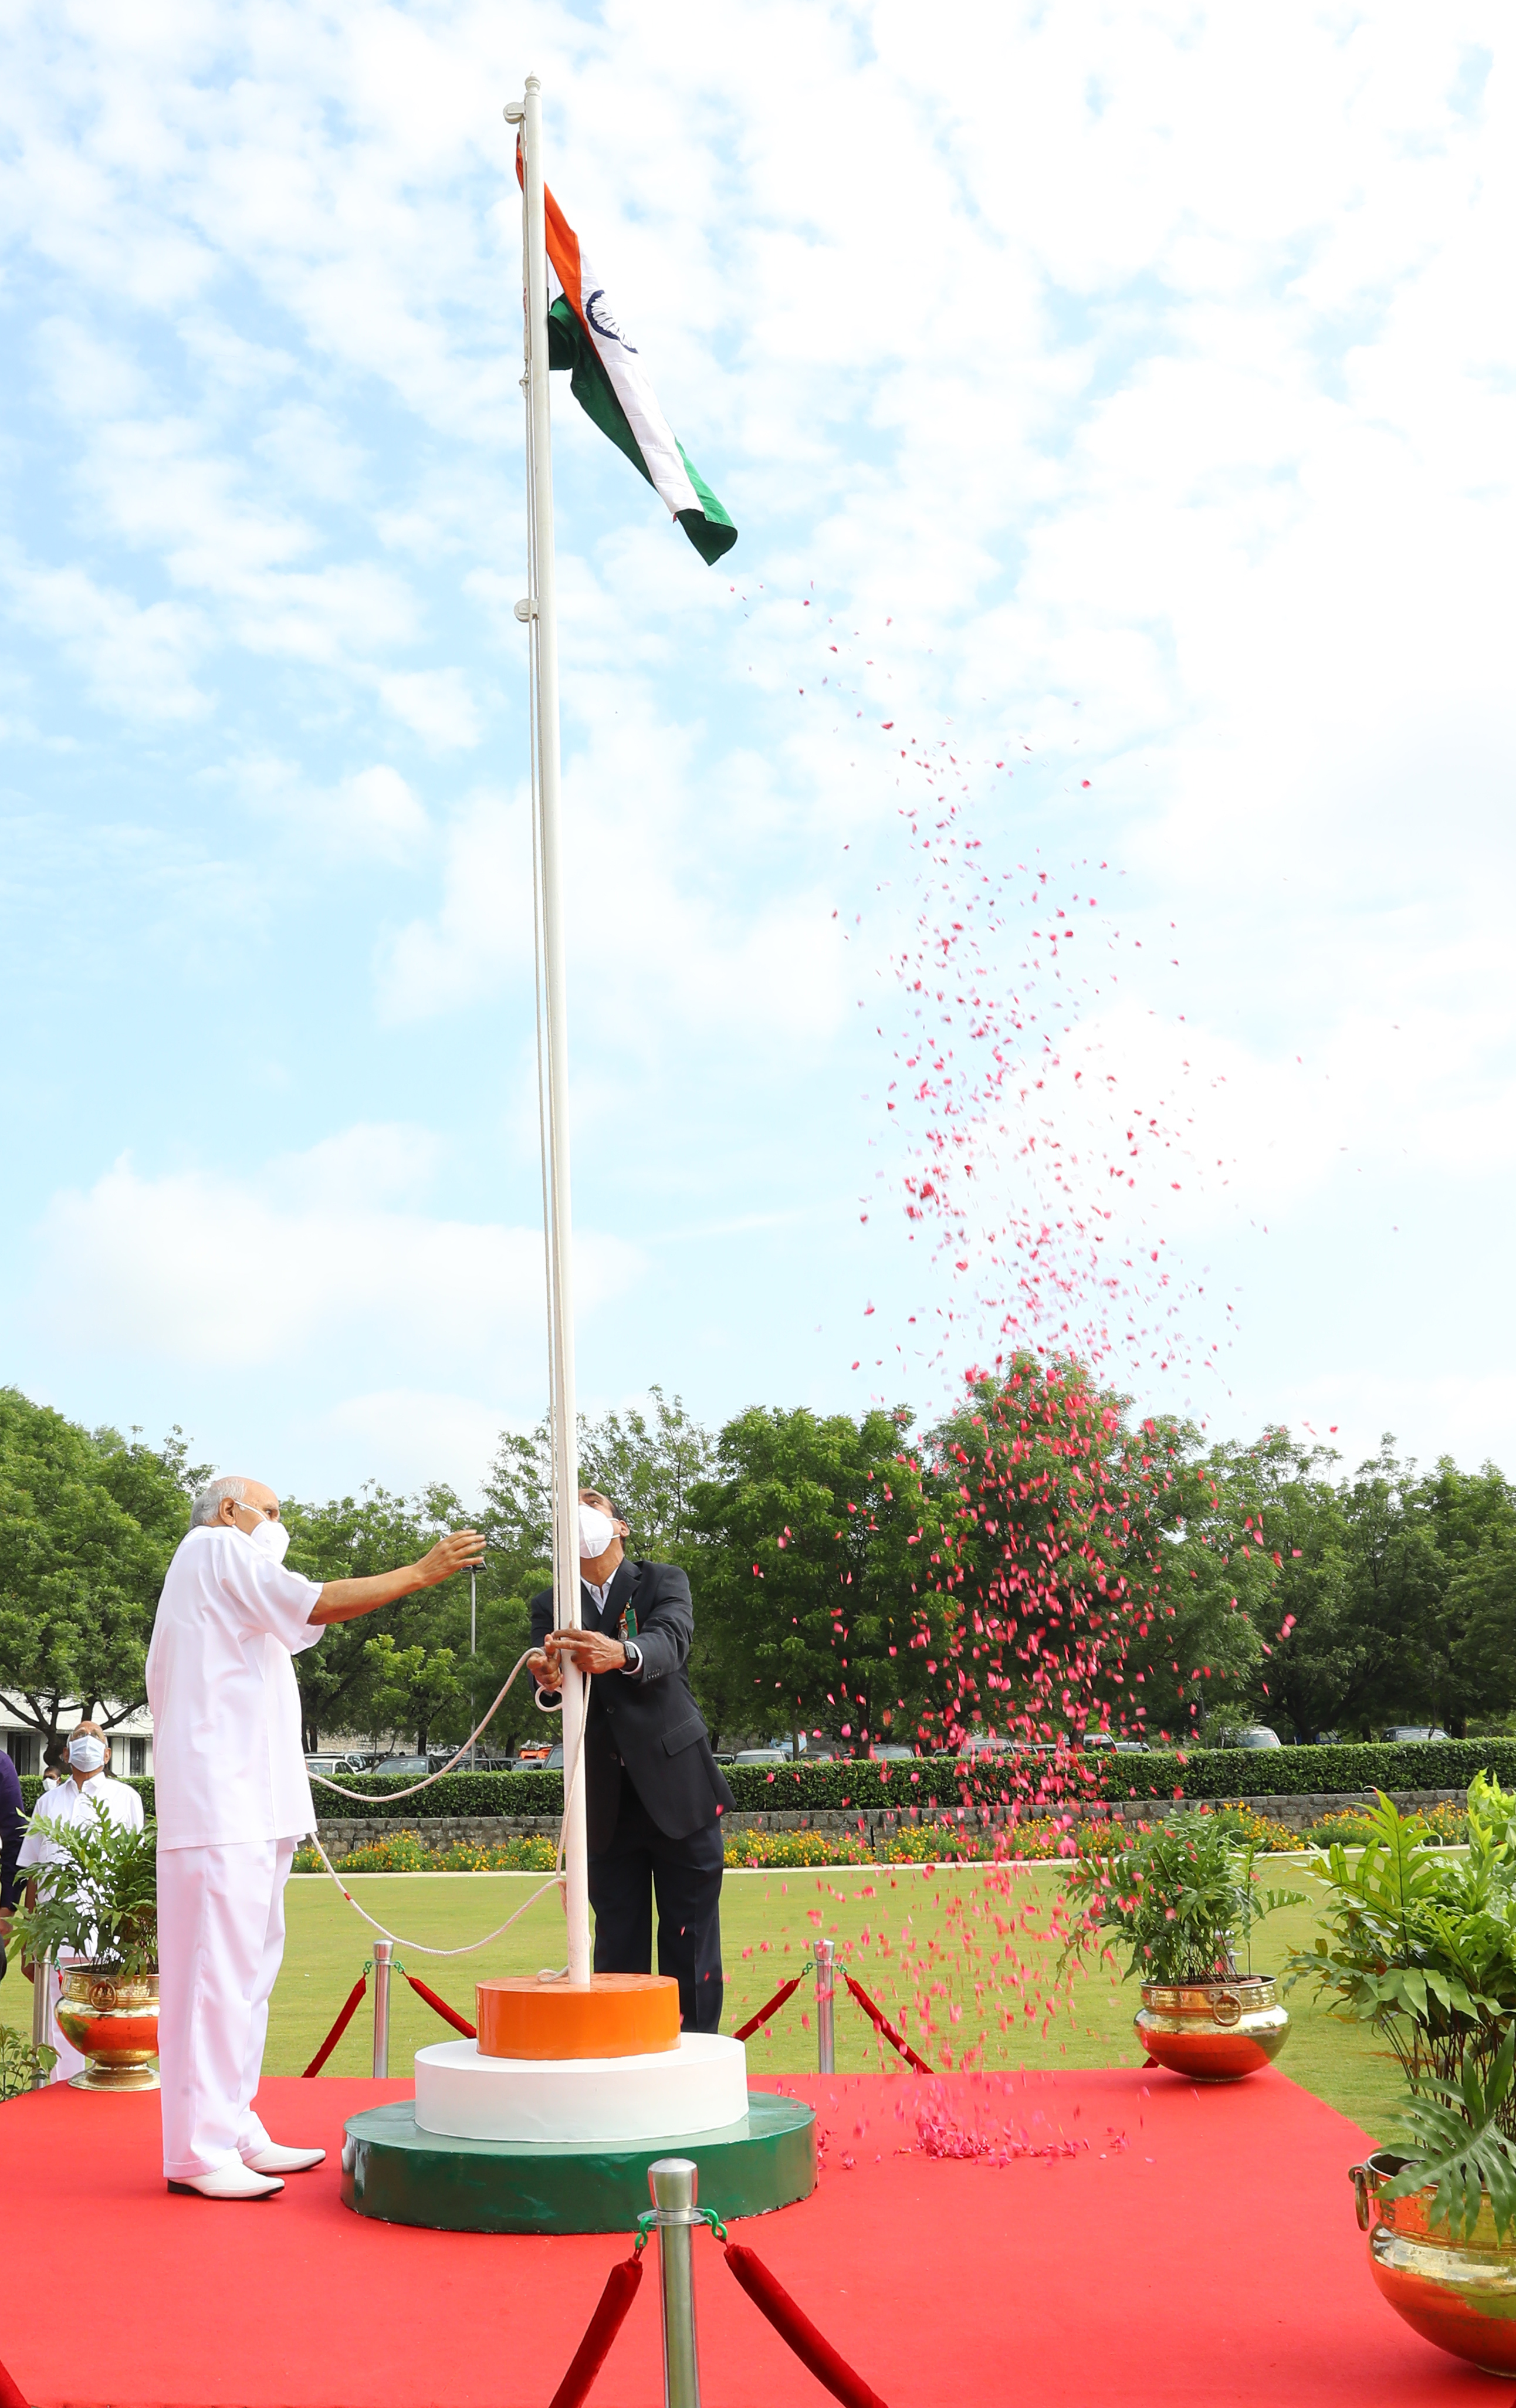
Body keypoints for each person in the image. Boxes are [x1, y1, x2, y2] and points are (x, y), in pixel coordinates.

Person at [148, 1474, 482, 2202]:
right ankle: (197, 2152)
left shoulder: (236, 1580)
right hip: (218, 1806)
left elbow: (295, 1621)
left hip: (255, 1807)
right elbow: (317, 1601)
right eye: (268, 1512)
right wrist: (422, 1572)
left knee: (246, 1980)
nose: (277, 1524)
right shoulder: (212, 1548)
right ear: (229, 1510)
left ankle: (234, 2130)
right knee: (213, 1980)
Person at [528, 1490, 732, 2031]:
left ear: (618, 1526)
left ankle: (696, 2055)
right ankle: (624, 2053)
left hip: (679, 1789)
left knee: (690, 1937)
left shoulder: (663, 1580)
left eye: (591, 1504)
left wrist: (624, 1653)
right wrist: (544, 1675)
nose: (579, 1513)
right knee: (617, 1942)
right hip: (602, 1799)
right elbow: (547, 1681)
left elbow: (671, 1640)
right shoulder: (551, 1601)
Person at [16, 1722, 145, 2081]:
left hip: (108, 1938)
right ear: (66, 1753)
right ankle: (58, 2100)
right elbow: (33, 1872)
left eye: (96, 1737)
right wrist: (29, 1939)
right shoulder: (48, 1801)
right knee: (56, 2028)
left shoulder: (126, 1798)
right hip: (54, 1936)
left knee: (110, 2028)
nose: (86, 1741)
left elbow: (136, 1874)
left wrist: (138, 1938)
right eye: (77, 1737)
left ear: (107, 1754)